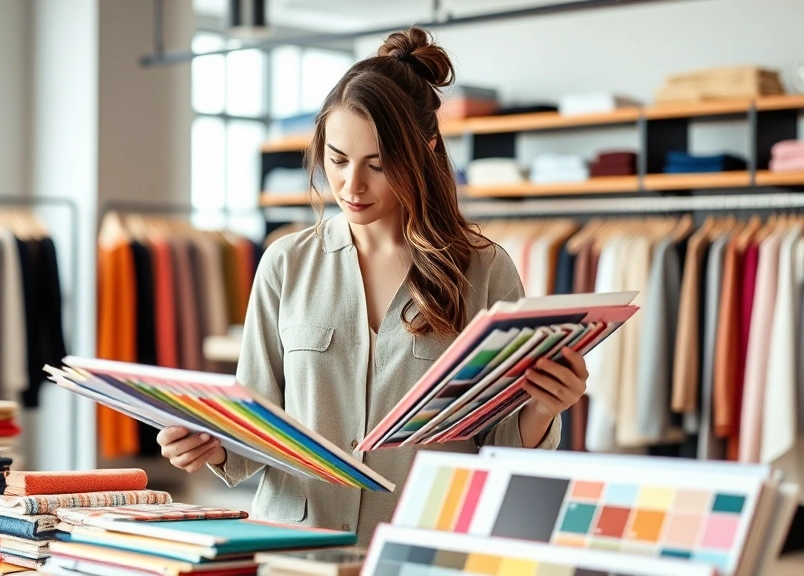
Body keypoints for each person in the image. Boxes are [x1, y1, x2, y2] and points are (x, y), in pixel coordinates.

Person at [157, 26, 587, 544]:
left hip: (419, 547)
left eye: (377, 165)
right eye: (337, 160)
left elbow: (499, 445)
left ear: (426, 150)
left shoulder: (485, 270)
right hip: (295, 550)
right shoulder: (284, 264)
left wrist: (544, 407)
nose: (351, 186)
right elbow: (257, 423)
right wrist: (212, 444)